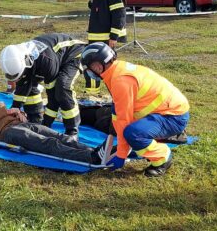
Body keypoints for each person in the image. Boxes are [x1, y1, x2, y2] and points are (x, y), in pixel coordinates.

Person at [80, 43, 190, 177]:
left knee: (133, 134)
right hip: (166, 110)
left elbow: (123, 120)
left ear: (98, 65)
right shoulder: (117, 69)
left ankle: (162, 158)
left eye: (90, 67)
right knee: (118, 123)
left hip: (173, 116)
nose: (90, 71)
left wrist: (121, 155)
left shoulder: (120, 81)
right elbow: (118, 115)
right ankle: (150, 138)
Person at [0, 99, 106, 165]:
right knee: (48, 144)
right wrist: (4, 110)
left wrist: (15, 113)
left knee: (59, 136)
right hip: (7, 132)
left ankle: (94, 150)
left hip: (19, 124)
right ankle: (91, 157)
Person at [0, 33, 85, 138]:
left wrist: (46, 125)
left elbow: (53, 99)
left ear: (27, 61)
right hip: (52, 57)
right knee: (29, 86)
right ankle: (34, 120)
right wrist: (15, 107)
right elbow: (23, 86)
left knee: (62, 88)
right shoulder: (19, 58)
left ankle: (72, 131)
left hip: (73, 54)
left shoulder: (47, 61)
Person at [85, 0, 127, 94]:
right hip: (96, 35)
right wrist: (94, 5)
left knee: (109, 68)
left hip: (106, 37)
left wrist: (113, 37)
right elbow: (103, 8)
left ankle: (115, 94)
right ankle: (91, 95)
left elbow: (119, 13)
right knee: (91, 65)